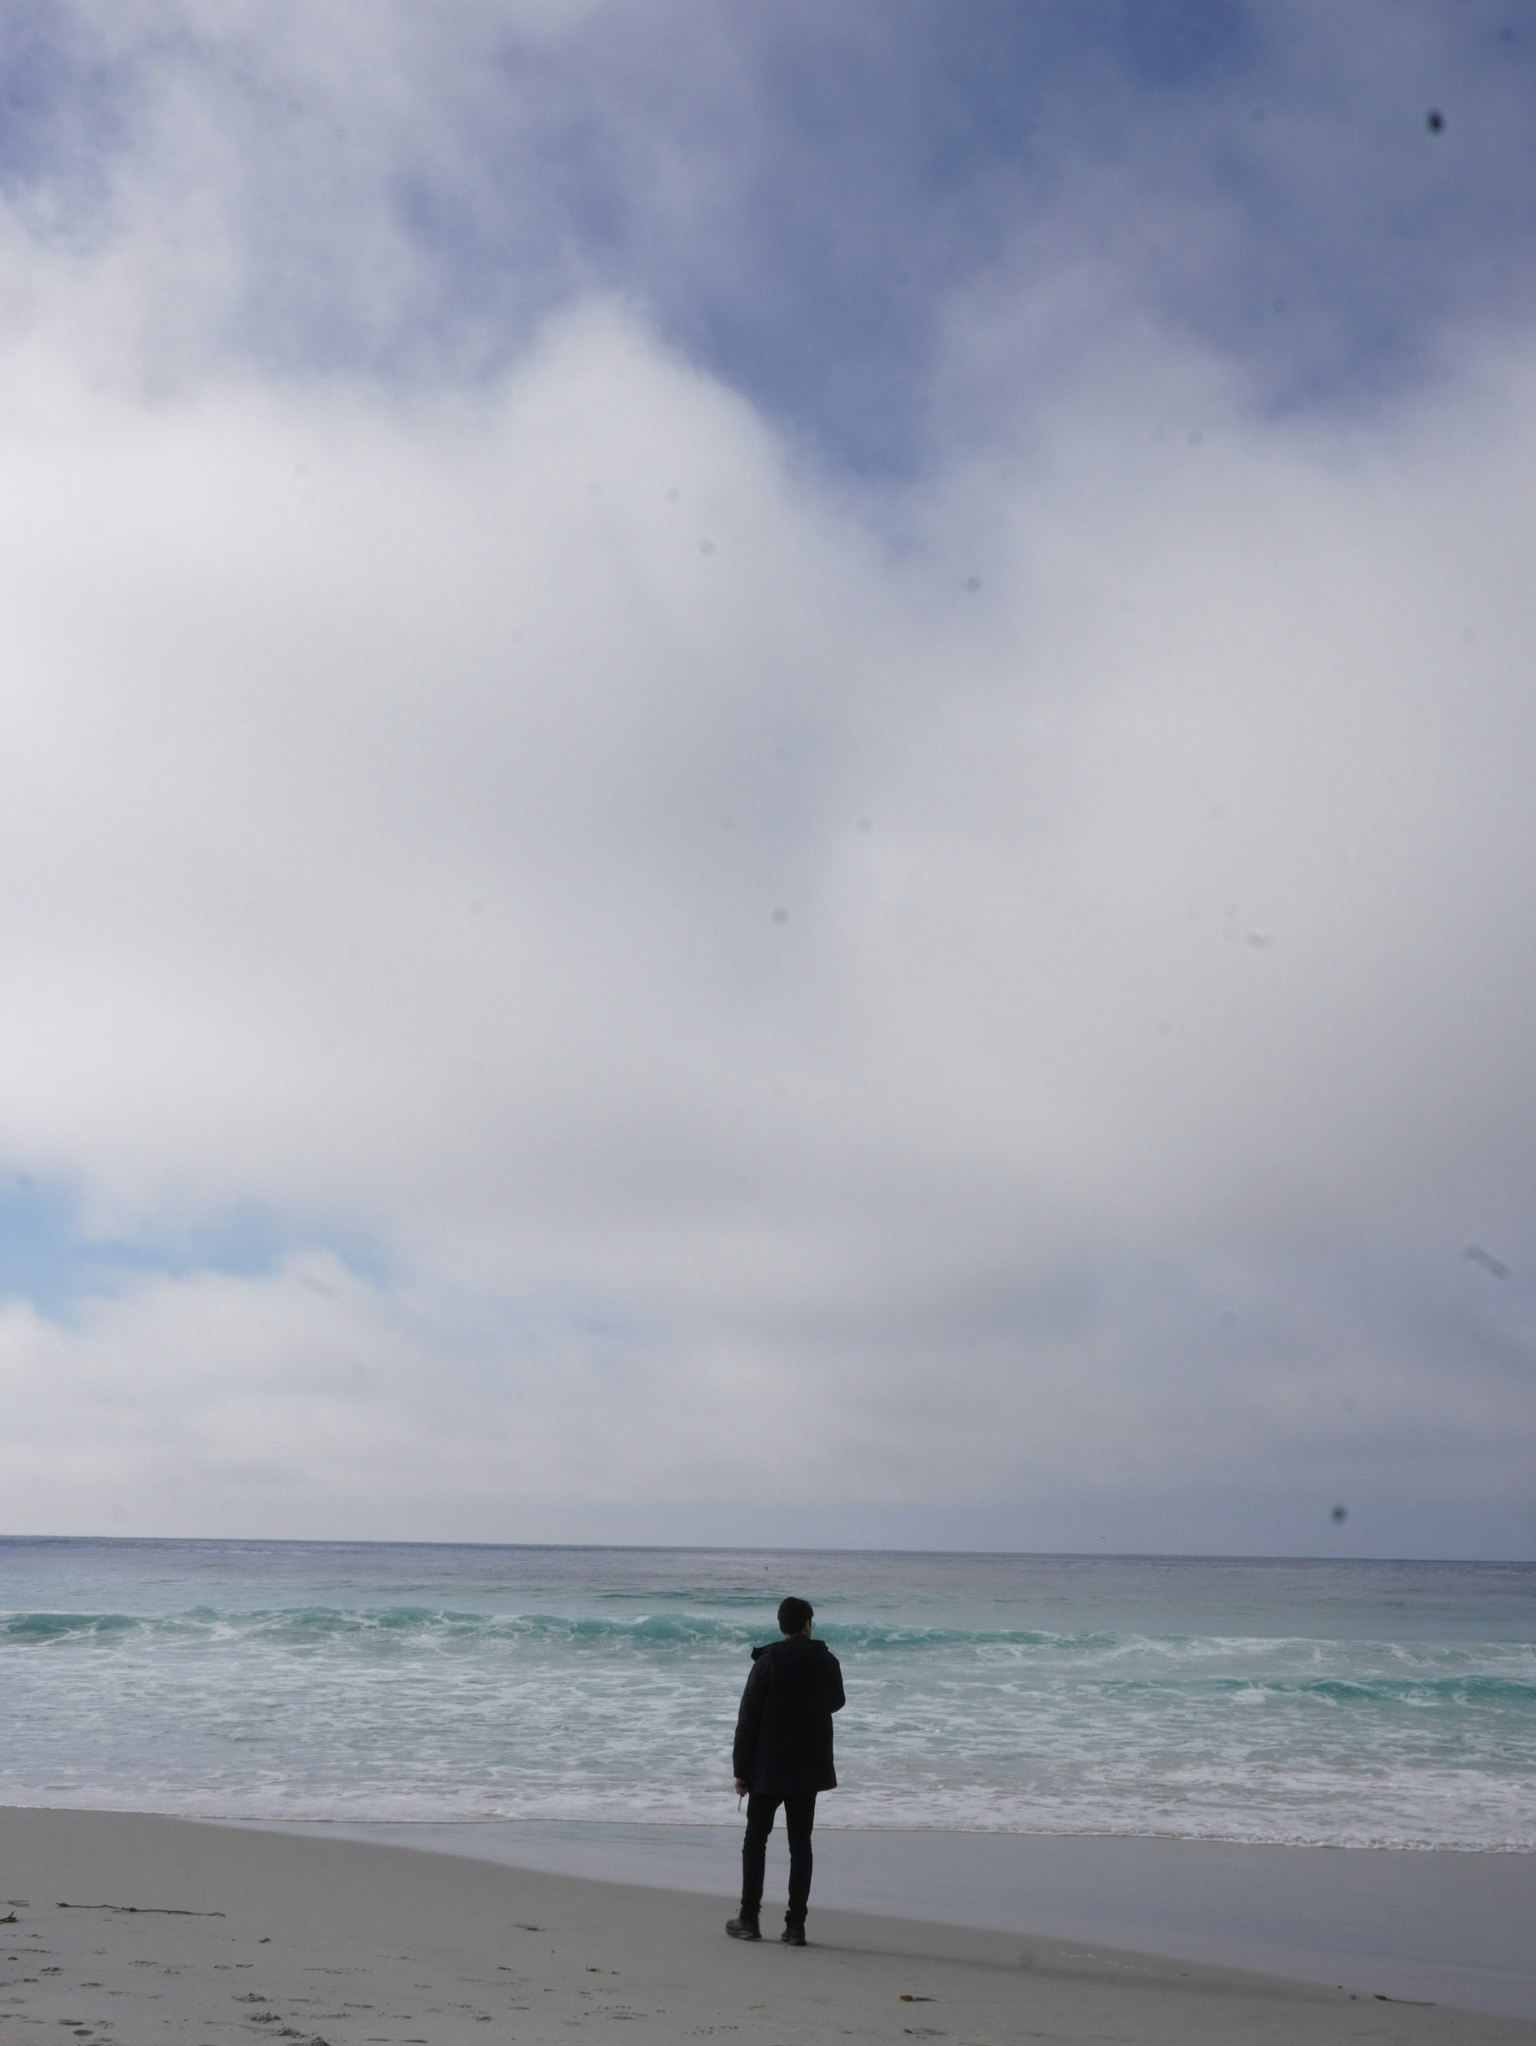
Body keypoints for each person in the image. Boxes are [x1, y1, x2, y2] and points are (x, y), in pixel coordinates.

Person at [725, 1595, 845, 1947]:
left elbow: (748, 1718)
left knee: (756, 1840)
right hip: (807, 1767)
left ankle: (749, 1918)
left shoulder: (767, 1663)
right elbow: (836, 1701)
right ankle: (795, 1927)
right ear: (807, 1625)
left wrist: (740, 1770)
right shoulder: (825, 1660)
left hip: (767, 1766)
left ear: (782, 1626)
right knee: (800, 1845)